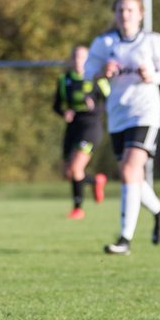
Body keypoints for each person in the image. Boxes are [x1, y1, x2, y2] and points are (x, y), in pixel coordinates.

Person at [84, 0, 160, 254]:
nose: (124, 15)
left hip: (145, 114)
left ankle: (124, 240)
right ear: (114, 14)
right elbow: (87, 72)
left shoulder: (152, 41)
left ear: (141, 14)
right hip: (118, 115)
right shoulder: (104, 43)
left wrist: (153, 76)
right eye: (120, 11)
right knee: (132, 174)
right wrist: (102, 72)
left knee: (128, 170)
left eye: (130, 10)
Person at [54, 44, 110, 219]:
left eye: (83, 57)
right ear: (71, 60)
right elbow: (56, 106)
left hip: (91, 126)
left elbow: (111, 100)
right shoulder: (65, 81)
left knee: (77, 168)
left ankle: (78, 209)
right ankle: (95, 181)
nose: (79, 61)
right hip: (73, 127)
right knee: (67, 173)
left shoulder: (97, 79)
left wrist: (95, 106)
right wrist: (65, 112)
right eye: (76, 57)